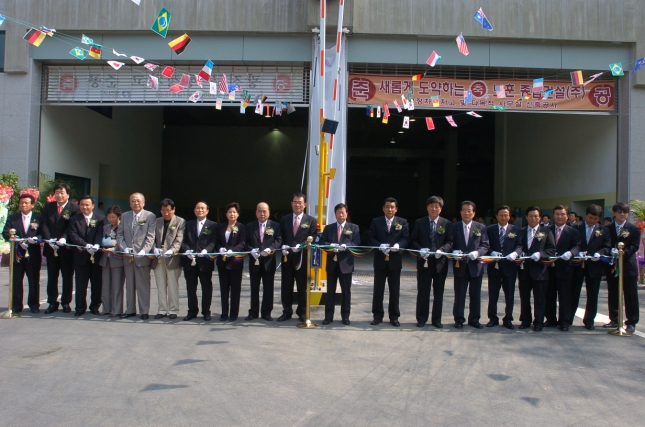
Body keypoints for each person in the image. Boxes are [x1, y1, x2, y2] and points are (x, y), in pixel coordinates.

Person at [410, 196, 454, 328]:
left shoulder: (447, 223)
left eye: (436, 206)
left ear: (440, 209)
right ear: (427, 208)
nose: (434, 209)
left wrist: (442, 250)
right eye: (431, 206)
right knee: (423, 291)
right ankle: (421, 318)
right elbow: (413, 240)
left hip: (440, 263)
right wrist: (420, 249)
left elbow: (450, 241)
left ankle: (436, 319)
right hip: (424, 261)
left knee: (438, 292)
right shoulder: (419, 222)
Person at [368, 197, 409, 327]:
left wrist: (399, 245)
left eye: (392, 207)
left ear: (396, 209)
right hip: (380, 260)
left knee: (394, 291)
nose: (389, 209)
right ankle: (377, 315)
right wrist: (379, 245)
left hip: (395, 261)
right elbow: (370, 237)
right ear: (383, 208)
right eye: (387, 207)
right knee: (378, 290)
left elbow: (406, 238)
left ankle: (394, 316)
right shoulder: (376, 221)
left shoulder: (402, 222)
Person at [278, 193, 318, 322]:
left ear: (305, 204)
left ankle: (302, 311)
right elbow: (279, 236)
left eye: (300, 202)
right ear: (291, 204)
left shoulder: (311, 220)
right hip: (287, 258)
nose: (297, 204)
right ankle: (286, 311)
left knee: (302, 287)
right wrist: (282, 246)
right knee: (286, 286)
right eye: (295, 202)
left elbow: (313, 237)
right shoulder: (284, 219)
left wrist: (302, 245)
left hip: (302, 259)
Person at [2, 194, 44, 314]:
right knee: (16, 281)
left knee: (34, 281)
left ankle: (34, 304)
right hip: (17, 254)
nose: (23, 205)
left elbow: (43, 233)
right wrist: (15, 239)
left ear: (32, 205)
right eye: (21, 203)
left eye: (26, 203)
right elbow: (6, 233)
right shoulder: (13, 218)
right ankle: (16, 305)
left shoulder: (38, 218)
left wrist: (36, 238)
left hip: (33, 254)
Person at [116, 192, 156, 320]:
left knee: (143, 285)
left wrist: (144, 250)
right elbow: (119, 235)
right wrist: (124, 247)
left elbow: (150, 236)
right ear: (130, 203)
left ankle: (144, 310)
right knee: (129, 285)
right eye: (133, 201)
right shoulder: (125, 216)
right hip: (128, 256)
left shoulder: (150, 216)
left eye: (138, 200)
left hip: (142, 257)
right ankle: (130, 310)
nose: (136, 203)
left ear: (143, 202)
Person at [451, 201, 490, 329]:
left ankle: (474, 319)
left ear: (474, 213)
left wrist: (478, 252)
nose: (466, 213)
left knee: (475, 295)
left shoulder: (481, 227)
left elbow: (485, 245)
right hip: (460, 265)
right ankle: (459, 319)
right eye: (464, 210)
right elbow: (450, 242)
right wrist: (453, 251)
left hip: (475, 266)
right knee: (460, 294)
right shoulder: (454, 227)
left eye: (469, 211)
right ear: (460, 212)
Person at [42, 183, 80, 314]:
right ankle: (52, 302)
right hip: (51, 246)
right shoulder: (49, 207)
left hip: (66, 248)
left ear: (67, 194)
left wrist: (64, 238)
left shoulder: (74, 208)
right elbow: (44, 224)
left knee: (67, 276)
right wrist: (49, 238)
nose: (59, 195)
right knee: (52, 276)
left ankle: (66, 302)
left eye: (62, 192)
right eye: (57, 192)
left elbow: (72, 226)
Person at [571, 204, 611, 330]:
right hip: (577, 264)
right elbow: (571, 243)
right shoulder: (575, 227)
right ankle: (568, 318)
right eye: (590, 217)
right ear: (585, 215)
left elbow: (607, 247)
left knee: (593, 294)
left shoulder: (603, 230)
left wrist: (599, 253)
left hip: (595, 265)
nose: (592, 220)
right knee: (573, 292)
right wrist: (577, 252)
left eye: (595, 218)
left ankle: (589, 320)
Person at [320, 203, 360, 325]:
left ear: (346, 214)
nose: (340, 215)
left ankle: (345, 316)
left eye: (343, 212)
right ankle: (328, 316)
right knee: (330, 292)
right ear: (335, 214)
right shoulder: (329, 228)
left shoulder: (353, 227)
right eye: (338, 212)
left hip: (346, 265)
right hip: (332, 264)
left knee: (346, 292)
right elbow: (322, 242)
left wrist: (346, 246)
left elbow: (356, 243)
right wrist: (330, 246)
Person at [518, 206, 556, 331]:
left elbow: (551, 249)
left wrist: (540, 254)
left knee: (540, 298)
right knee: (524, 297)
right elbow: (518, 246)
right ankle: (525, 320)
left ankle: (538, 321)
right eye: (531, 216)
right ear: (526, 217)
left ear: (540, 218)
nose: (533, 218)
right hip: (524, 270)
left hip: (540, 271)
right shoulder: (521, 231)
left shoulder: (546, 231)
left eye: (536, 216)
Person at [604, 202, 641, 333]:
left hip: (628, 265)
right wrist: (610, 251)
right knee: (613, 293)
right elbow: (605, 243)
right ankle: (614, 319)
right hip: (612, 265)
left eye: (625, 212)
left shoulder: (633, 228)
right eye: (619, 212)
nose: (622, 214)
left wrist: (622, 253)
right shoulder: (607, 228)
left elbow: (635, 246)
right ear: (614, 213)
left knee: (630, 295)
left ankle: (631, 321)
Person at [486, 205, 522, 329]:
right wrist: (492, 252)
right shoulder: (489, 229)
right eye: (501, 215)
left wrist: (515, 253)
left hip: (509, 267)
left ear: (509, 216)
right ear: (496, 216)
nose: (503, 217)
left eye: (506, 215)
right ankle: (492, 318)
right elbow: (485, 245)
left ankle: (508, 319)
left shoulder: (516, 230)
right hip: (494, 267)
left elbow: (520, 245)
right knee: (493, 294)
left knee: (509, 295)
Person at [68, 195, 105, 316]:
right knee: (80, 284)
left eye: (87, 204)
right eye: (82, 205)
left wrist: (97, 244)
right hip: (81, 256)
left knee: (97, 284)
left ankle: (95, 307)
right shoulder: (74, 219)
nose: (84, 207)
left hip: (96, 255)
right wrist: (85, 245)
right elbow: (73, 235)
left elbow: (100, 233)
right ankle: (80, 307)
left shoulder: (100, 219)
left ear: (93, 206)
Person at [545, 205, 580, 331]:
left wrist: (570, 253)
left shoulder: (573, 231)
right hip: (548, 268)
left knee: (565, 296)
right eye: (557, 214)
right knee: (549, 294)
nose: (560, 217)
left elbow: (577, 246)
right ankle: (550, 319)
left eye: (562, 214)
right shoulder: (546, 230)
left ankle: (564, 321)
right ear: (553, 215)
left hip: (565, 268)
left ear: (567, 216)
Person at [245, 202, 282, 321]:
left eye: (264, 211)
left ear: (269, 212)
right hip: (254, 260)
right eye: (259, 211)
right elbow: (245, 242)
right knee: (254, 288)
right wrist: (251, 250)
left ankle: (266, 312)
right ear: (256, 213)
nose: (262, 213)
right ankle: (253, 312)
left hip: (268, 261)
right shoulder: (249, 226)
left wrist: (271, 249)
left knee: (268, 288)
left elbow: (279, 240)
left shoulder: (275, 225)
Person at [181, 202, 217, 321]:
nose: (200, 210)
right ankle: (192, 311)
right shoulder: (188, 224)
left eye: (202, 208)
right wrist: (187, 250)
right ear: (194, 210)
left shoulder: (213, 225)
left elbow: (213, 241)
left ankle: (206, 311)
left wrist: (207, 250)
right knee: (191, 288)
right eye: (197, 208)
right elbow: (183, 240)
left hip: (205, 262)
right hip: (190, 261)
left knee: (206, 287)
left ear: (207, 211)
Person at [151, 198, 186, 320]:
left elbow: (179, 239)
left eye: (168, 210)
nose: (166, 213)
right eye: (163, 211)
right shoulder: (157, 221)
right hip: (158, 258)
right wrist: (154, 248)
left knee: (172, 286)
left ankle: (173, 310)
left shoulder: (180, 221)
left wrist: (172, 250)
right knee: (160, 285)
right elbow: (151, 237)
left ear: (173, 209)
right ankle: (162, 309)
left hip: (172, 259)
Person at [216, 202, 246, 322]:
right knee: (224, 289)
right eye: (230, 212)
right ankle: (224, 313)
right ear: (226, 214)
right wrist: (220, 249)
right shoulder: (221, 227)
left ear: (238, 214)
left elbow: (242, 243)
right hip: (222, 262)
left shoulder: (242, 227)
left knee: (235, 289)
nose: (232, 214)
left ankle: (234, 313)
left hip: (235, 262)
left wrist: (232, 251)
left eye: (234, 212)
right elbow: (217, 241)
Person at [99, 205, 125, 317]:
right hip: (105, 258)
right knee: (105, 285)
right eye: (109, 217)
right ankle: (106, 308)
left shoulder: (122, 227)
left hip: (117, 259)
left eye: (113, 217)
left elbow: (123, 242)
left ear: (119, 217)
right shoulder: (106, 227)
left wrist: (114, 249)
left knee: (116, 285)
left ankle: (116, 309)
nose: (111, 219)